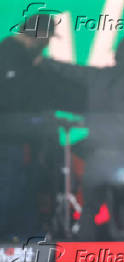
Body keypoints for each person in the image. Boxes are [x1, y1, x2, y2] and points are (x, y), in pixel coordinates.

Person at [42, 38, 124, 240]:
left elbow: (69, 70)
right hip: (123, 157)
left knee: (90, 207)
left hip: (97, 154)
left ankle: (83, 254)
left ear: (117, 55)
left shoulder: (97, 76)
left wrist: (45, 61)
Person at [0, 14, 84, 241]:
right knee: (11, 190)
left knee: (24, 190)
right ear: (40, 35)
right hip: (10, 142)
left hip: (22, 143)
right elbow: (19, 99)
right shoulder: (9, 56)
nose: (47, 44)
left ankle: (31, 237)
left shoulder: (25, 61)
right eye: (47, 39)